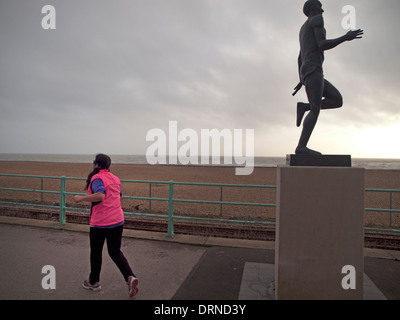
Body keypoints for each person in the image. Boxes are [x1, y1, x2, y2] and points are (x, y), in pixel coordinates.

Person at [292, 0, 363, 155]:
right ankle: (301, 147)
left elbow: (299, 57)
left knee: (337, 100)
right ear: (312, 8)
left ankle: (304, 107)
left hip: (308, 70)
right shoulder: (317, 19)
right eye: (320, 6)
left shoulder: (302, 29)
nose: (322, 10)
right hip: (314, 69)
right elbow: (322, 44)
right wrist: (346, 37)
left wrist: (301, 78)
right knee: (316, 109)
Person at [73, 153, 139, 297]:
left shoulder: (96, 178)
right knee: (115, 251)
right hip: (117, 220)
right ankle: (130, 277)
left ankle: (94, 282)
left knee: (96, 252)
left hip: (101, 223)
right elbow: (119, 195)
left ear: (97, 164)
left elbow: (100, 195)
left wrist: (81, 198)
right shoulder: (115, 178)